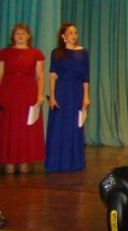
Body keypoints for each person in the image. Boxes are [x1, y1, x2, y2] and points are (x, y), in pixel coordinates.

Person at [0, 23, 46, 174]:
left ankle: (24, 161)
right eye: (17, 33)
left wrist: (40, 95)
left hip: (28, 93)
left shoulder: (36, 53)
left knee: (25, 128)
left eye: (23, 33)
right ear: (13, 36)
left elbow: (40, 76)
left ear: (28, 36)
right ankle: (8, 161)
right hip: (8, 93)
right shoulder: (4, 53)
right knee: (8, 127)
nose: (20, 36)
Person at [45, 23, 90, 172]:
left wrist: (86, 96)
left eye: (75, 32)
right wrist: (52, 96)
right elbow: (52, 76)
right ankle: (56, 162)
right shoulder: (56, 53)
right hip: (61, 91)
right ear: (63, 36)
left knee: (75, 126)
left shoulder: (83, 53)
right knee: (59, 126)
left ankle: (74, 162)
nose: (74, 35)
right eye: (70, 32)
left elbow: (85, 77)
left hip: (76, 92)